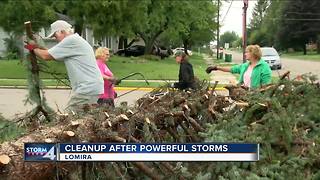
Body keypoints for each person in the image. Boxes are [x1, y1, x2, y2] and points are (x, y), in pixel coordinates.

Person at [24, 20, 104, 112]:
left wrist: (31, 47)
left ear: (62, 31)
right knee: (82, 119)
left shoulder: (71, 40)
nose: (55, 39)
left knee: (69, 117)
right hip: (91, 87)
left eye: (55, 35)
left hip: (86, 88)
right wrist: (38, 46)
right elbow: (53, 55)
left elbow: (45, 56)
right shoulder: (75, 41)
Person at [206, 45, 271, 89]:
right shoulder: (246, 65)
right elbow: (231, 69)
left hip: (255, 97)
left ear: (253, 53)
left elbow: (265, 86)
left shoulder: (264, 67)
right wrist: (216, 68)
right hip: (243, 94)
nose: (245, 54)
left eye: (247, 52)